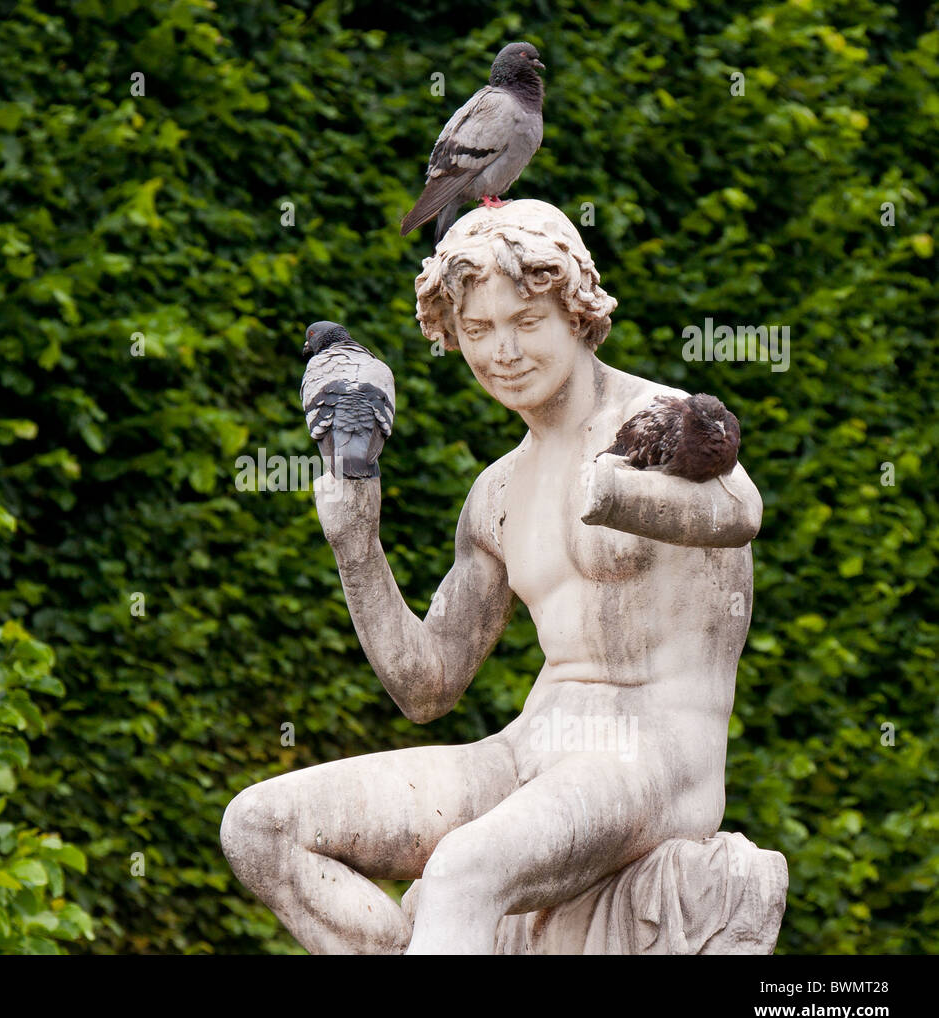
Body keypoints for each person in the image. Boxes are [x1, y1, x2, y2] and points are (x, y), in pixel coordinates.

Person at [221, 200, 764, 954]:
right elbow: (427, 685)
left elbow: (740, 508)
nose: (502, 351)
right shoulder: (497, 492)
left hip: (651, 753)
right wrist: (356, 543)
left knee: (462, 871)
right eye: (477, 331)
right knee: (261, 826)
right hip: (527, 749)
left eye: (527, 322)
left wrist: (608, 492)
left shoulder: (655, 419)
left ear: (577, 313)